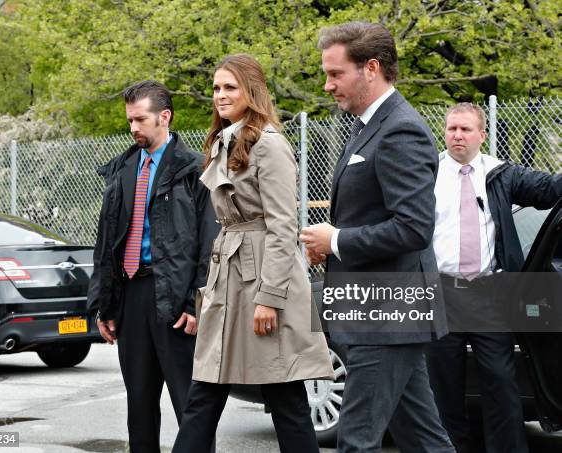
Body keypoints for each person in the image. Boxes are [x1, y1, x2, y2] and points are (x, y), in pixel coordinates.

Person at [299, 21, 455, 452]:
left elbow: (413, 228)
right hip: (376, 312)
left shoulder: (401, 130)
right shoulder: (366, 126)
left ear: (371, 68)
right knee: (424, 440)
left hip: (387, 315)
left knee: (357, 441)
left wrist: (336, 241)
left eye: (335, 73)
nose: (328, 85)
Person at [171, 54, 334, 453]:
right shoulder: (224, 142)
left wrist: (270, 298)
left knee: (285, 397)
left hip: (263, 280)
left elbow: (282, 226)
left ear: (252, 91)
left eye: (230, 87)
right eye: (216, 88)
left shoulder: (269, 145)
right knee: (204, 393)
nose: (220, 95)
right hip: (228, 276)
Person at [87, 80, 218, 453]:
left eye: (140, 119)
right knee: (139, 408)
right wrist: (104, 305)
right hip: (131, 297)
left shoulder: (195, 170)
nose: (133, 128)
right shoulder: (122, 170)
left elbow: (210, 243)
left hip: (176, 302)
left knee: (190, 407)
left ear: (165, 116)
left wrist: (196, 303)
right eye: (129, 121)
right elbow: (106, 243)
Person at [428, 102, 562, 453]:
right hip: (441, 293)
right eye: (452, 128)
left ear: (481, 135)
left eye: (466, 129)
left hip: (489, 295)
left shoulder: (499, 174)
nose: (457, 135)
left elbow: (548, 190)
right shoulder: (427, 173)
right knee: (443, 387)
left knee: (502, 385)